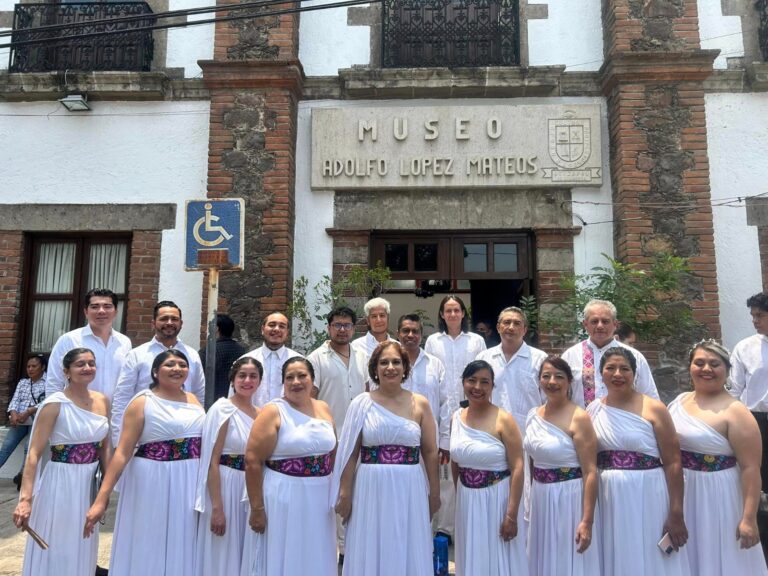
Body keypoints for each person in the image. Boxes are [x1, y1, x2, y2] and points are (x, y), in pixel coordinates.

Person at [84, 349, 205, 576]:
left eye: (182, 364)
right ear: (155, 372)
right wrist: (102, 498)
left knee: (184, 535)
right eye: (170, 364)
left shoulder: (194, 400)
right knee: (151, 536)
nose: (177, 369)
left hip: (188, 478)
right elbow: (123, 452)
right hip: (153, 478)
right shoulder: (142, 402)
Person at [334, 341, 440, 576]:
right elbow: (350, 452)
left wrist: (434, 491)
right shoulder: (361, 403)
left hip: (410, 486)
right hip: (370, 487)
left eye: (396, 362)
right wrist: (345, 491)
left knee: (406, 540)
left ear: (405, 368)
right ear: (375, 368)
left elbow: (431, 451)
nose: (390, 367)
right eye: (384, 362)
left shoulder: (420, 403)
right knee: (371, 540)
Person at [587, 346, 690, 575]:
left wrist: (676, 512)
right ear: (601, 373)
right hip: (608, 497)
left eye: (624, 369)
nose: (617, 374)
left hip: (647, 493)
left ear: (634, 374)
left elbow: (673, 462)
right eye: (610, 368)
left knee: (649, 555)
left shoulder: (654, 409)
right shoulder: (593, 410)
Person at [670, 340, 767, 575]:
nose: (706, 369)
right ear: (690, 367)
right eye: (699, 363)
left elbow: (751, 469)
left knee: (718, 553)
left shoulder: (736, 411)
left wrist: (749, 518)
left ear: (727, 370)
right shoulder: (678, 401)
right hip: (682, 493)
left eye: (714, 364)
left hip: (718, 495)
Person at [13, 348, 109, 576]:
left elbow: (106, 448)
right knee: (59, 540)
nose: (87, 368)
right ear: (66, 371)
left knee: (84, 541)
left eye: (91, 363)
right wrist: (25, 500)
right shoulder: (55, 404)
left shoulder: (103, 401)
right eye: (80, 364)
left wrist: (105, 491)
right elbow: (34, 454)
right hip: (61, 482)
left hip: (90, 483)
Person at [242, 357, 337, 575]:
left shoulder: (323, 408)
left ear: (312, 379)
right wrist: (257, 509)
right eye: (290, 377)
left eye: (302, 375)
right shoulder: (273, 411)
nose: (296, 382)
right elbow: (253, 461)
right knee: (286, 551)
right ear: (282, 382)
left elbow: (333, 451)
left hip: (320, 497)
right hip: (285, 495)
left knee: (316, 552)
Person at [524, 356, 600, 575]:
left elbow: (590, 471)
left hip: (569, 497)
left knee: (565, 556)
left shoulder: (579, 418)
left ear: (569, 382)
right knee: (542, 555)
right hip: (541, 496)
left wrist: (587, 520)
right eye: (546, 376)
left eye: (559, 376)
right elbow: (532, 460)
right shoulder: (533, 415)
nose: (552, 382)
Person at [449, 360, 527, 576]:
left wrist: (511, 514)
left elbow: (518, 467)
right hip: (467, 499)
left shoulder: (504, 419)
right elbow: (456, 462)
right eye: (471, 380)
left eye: (485, 382)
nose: (477, 387)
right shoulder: (456, 418)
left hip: (497, 499)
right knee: (472, 555)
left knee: (497, 558)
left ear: (493, 386)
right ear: (463, 383)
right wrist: (460, 497)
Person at [425, 295, 486, 542]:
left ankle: (466, 525)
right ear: (441, 314)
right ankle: (443, 528)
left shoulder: (475, 341)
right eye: (448, 310)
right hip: (440, 412)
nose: (452, 314)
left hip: (469, 412)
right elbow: (430, 374)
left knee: (467, 467)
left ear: (463, 314)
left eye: (456, 310)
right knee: (443, 472)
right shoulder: (432, 341)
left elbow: (483, 373)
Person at [195, 357, 261, 576]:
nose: (247, 380)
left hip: (251, 488)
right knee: (223, 549)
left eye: (253, 376)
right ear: (233, 379)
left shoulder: (261, 415)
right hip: (226, 485)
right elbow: (212, 461)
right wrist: (216, 507)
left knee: (247, 548)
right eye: (242, 375)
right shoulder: (222, 409)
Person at [111, 301, 205, 444]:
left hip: (184, 436)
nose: (169, 323)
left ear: (181, 323)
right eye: (163, 319)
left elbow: (199, 395)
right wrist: (118, 442)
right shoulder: (137, 355)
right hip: (145, 437)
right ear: (153, 323)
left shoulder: (192, 355)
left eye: (174, 319)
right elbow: (122, 398)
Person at [562, 299, 659, 408]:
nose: (600, 326)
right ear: (585, 324)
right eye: (594, 321)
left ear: (615, 324)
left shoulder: (634, 356)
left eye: (605, 321)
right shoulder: (570, 356)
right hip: (581, 423)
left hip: (623, 422)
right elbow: (561, 396)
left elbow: (649, 397)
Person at [730, 291, 768, 554]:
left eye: (760, 315)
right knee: (758, 482)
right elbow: (734, 391)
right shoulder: (745, 347)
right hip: (756, 422)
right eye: (753, 316)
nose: (755, 321)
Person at [46, 288, 132, 401]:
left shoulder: (124, 342)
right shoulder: (69, 340)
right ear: (86, 312)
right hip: (78, 412)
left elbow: (126, 382)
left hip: (116, 413)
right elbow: (54, 382)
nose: (101, 311)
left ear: (116, 312)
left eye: (107, 306)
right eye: (94, 307)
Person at [1, 354, 47, 490]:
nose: (30, 369)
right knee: (6, 447)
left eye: (34, 366)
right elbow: (15, 400)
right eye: (28, 366)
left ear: (43, 367)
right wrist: (14, 414)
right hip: (19, 420)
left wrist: (29, 411)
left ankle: (23, 477)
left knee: (29, 448)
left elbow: (47, 402)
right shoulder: (23, 383)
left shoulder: (49, 383)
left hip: (37, 420)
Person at [241, 312, 302, 407]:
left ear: (287, 332)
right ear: (262, 329)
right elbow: (234, 396)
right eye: (272, 325)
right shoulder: (245, 361)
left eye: (282, 326)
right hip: (252, 420)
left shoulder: (299, 362)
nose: (276, 329)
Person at [199, 313, 246, 401]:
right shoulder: (242, 351)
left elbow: (199, 379)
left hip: (212, 400)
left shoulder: (207, 352)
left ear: (216, 328)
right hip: (236, 400)